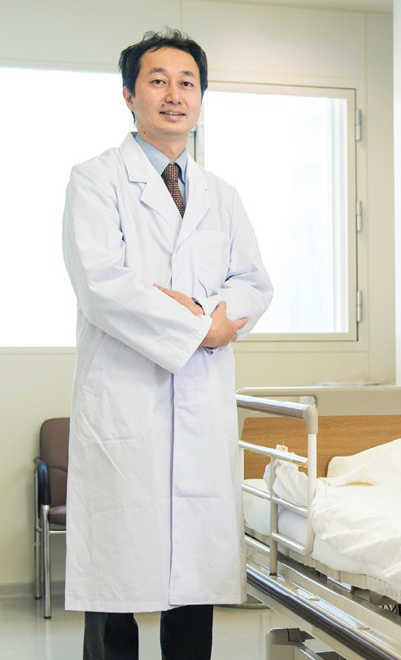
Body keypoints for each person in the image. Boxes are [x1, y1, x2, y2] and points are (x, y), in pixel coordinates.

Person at [60, 28, 273, 660]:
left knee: (193, 585)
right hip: (125, 400)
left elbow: (253, 281)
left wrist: (216, 319)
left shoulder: (220, 195)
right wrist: (201, 325)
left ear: (201, 97)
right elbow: (102, 284)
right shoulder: (95, 180)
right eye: (157, 81)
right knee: (115, 582)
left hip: (200, 400)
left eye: (187, 83)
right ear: (130, 96)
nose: (174, 95)